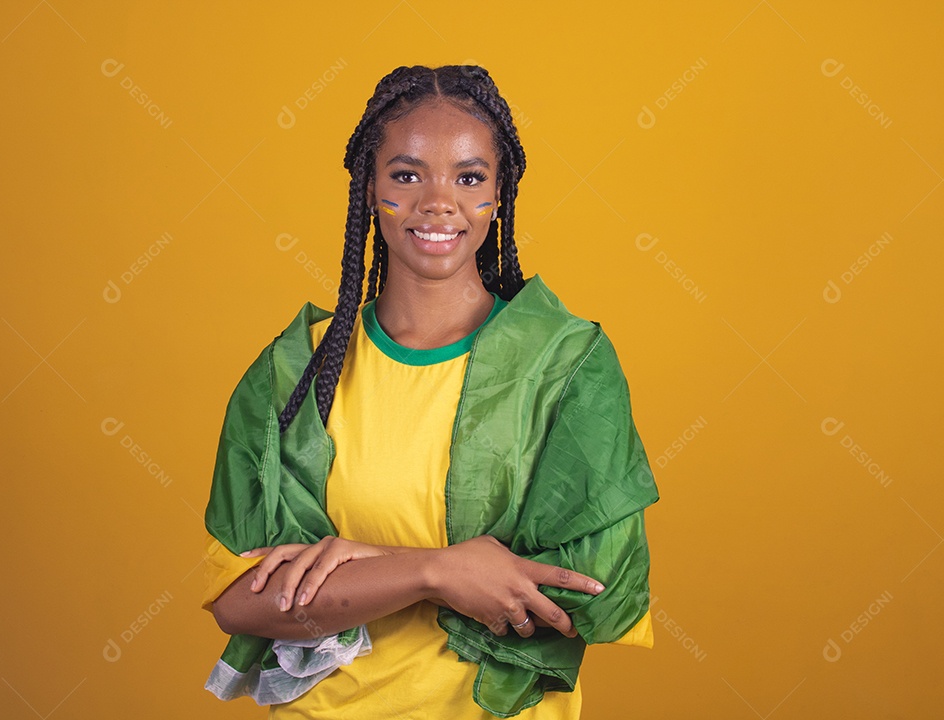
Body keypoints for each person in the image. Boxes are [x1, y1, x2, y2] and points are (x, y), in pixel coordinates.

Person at [202, 64, 659, 719]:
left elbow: (600, 596)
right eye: (407, 175)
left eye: (469, 177)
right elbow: (241, 600)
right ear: (369, 188)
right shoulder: (296, 368)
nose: (437, 202)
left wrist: (367, 564)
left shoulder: (566, 364)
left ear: (498, 194)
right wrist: (435, 570)